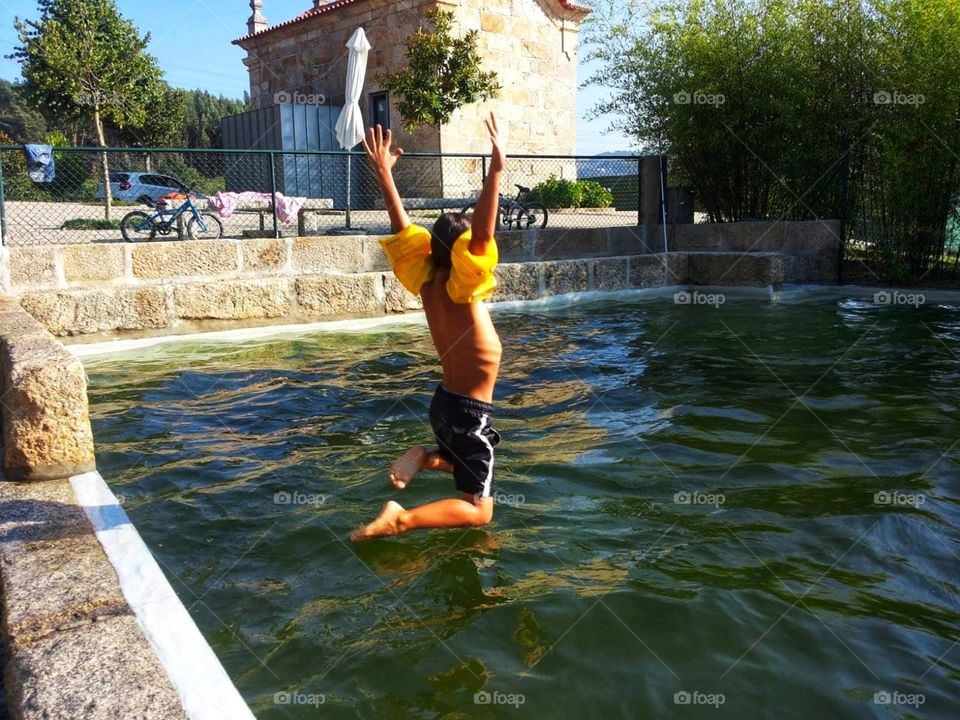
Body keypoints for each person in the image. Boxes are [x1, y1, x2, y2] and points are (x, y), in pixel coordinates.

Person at [351, 113, 506, 541]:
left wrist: (384, 173)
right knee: (479, 511)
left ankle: (422, 454)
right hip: (470, 413)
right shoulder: (463, 286)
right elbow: (482, 234)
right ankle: (400, 518)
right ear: (462, 254)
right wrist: (494, 172)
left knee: (469, 466)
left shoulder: (428, 283)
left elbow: (402, 228)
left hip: (446, 406)